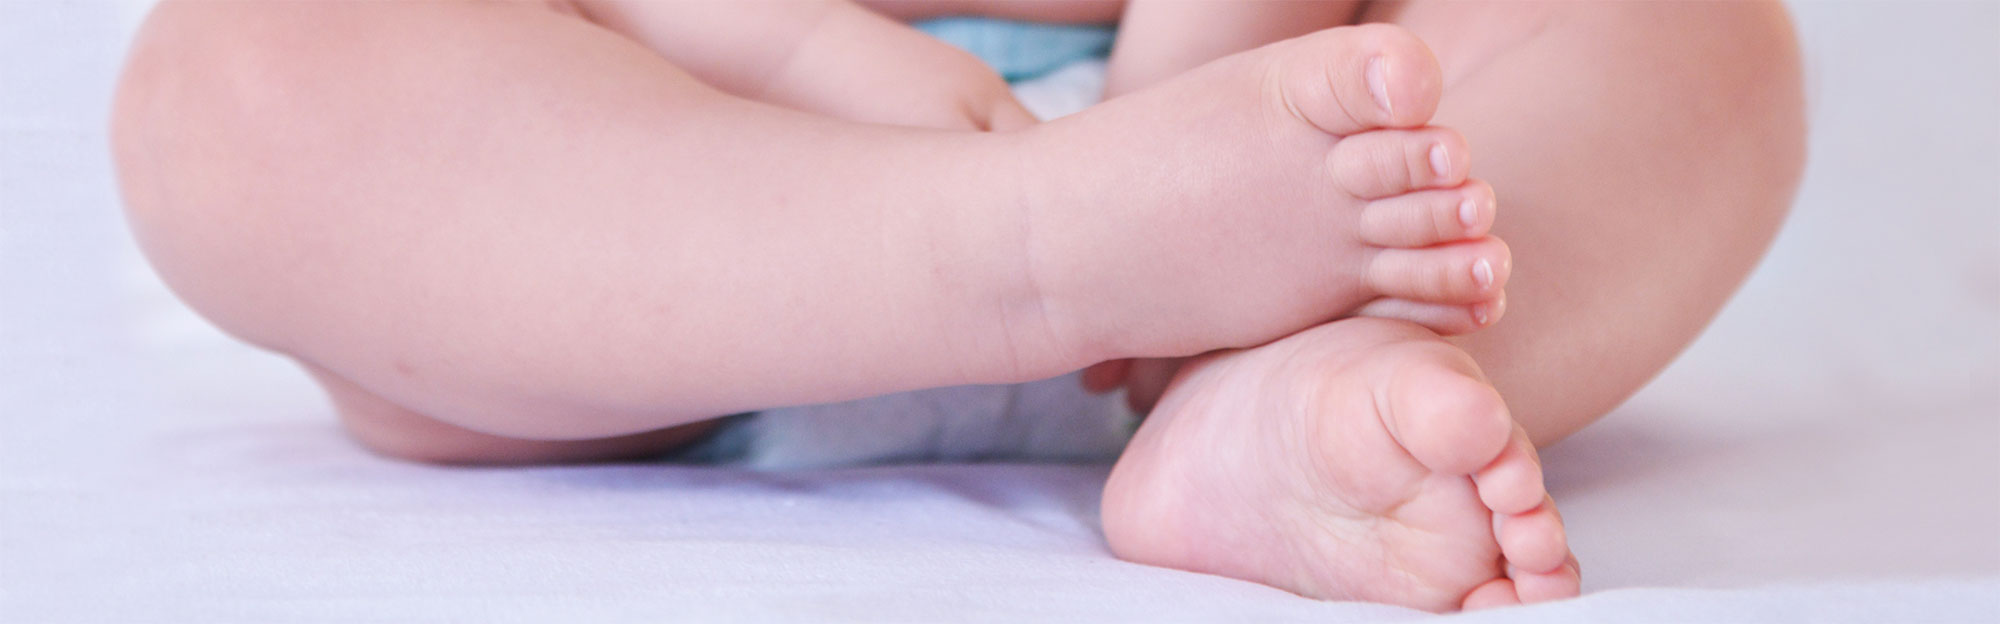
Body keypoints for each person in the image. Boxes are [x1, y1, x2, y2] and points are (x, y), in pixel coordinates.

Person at [110, 0, 1804, 611]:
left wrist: (1213, 79)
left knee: (1693, 30)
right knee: (244, 73)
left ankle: (1310, 397)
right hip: (694, 218)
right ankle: (1039, 252)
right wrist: (794, 49)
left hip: (1296, 176)